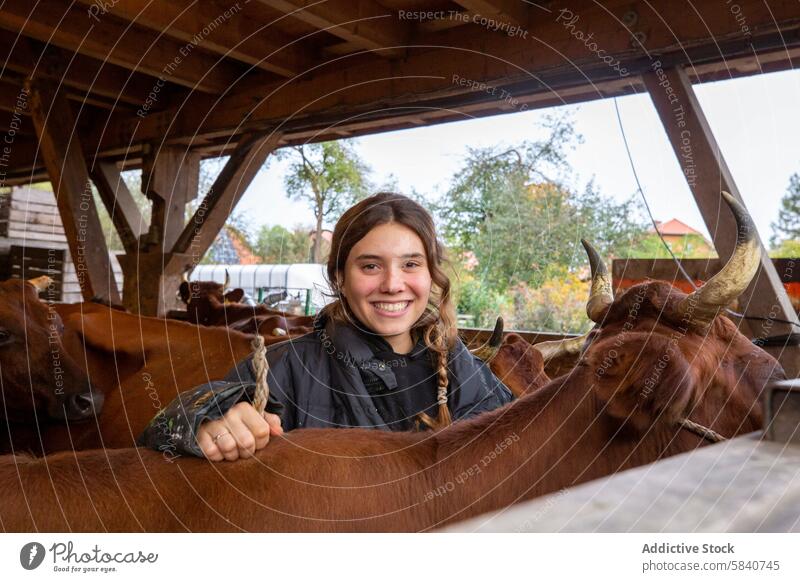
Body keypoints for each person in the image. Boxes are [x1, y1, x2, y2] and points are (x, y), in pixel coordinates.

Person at [138, 193, 512, 461]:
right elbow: (160, 433)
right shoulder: (288, 368)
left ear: (431, 275)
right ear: (339, 279)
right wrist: (207, 421)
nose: (393, 283)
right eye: (370, 266)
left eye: (411, 264)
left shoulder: (467, 370)